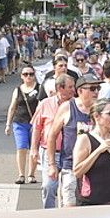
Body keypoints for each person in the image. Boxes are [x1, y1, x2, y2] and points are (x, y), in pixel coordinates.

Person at [45, 74, 103, 208]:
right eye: (92, 88)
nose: (96, 92)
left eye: (98, 88)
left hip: (95, 168)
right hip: (70, 167)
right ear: (80, 91)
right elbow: (52, 136)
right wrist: (52, 164)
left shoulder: (101, 110)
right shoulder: (68, 108)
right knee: (69, 209)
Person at [33, 77, 75, 209]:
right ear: (60, 89)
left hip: (70, 153)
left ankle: (63, 217)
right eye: (70, 87)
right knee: (49, 186)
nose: (74, 90)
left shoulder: (76, 105)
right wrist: (34, 149)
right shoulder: (45, 104)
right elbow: (37, 127)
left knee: (68, 188)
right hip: (50, 152)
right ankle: (48, 214)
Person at [5, 65, 42, 184]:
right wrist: (8, 124)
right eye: (25, 74)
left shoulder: (39, 88)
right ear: (21, 76)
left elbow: (42, 107)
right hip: (19, 122)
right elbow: (12, 107)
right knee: (21, 148)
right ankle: (21, 174)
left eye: (31, 74)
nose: (28, 77)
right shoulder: (18, 90)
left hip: (35, 124)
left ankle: (31, 174)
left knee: (33, 149)